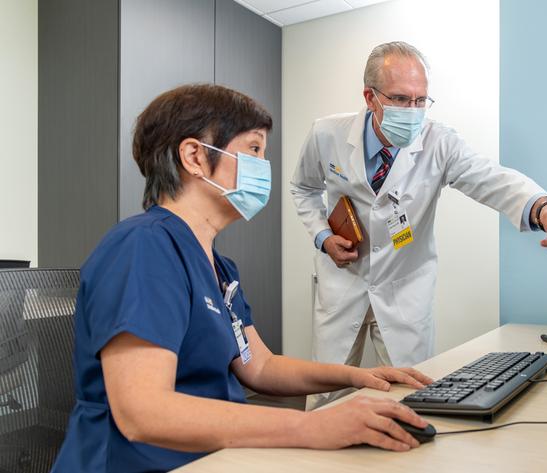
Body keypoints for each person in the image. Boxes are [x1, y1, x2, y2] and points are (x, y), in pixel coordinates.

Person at [52, 84, 433, 473]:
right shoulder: (143, 247)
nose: (262, 165)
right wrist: (310, 426)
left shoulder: (219, 267)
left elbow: (260, 366)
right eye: (253, 149)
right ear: (195, 156)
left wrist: (360, 376)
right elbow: (143, 412)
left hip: (216, 457)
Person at [291, 42, 547, 408]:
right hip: (342, 284)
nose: (413, 111)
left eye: (421, 100)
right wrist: (322, 235)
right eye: (400, 99)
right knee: (328, 393)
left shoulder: (439, 142)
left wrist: (542, 207)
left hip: (403, 291)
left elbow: (489, 177)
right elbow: (303, 187)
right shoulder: (326, 134)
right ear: (370, 97)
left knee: (410, 396)